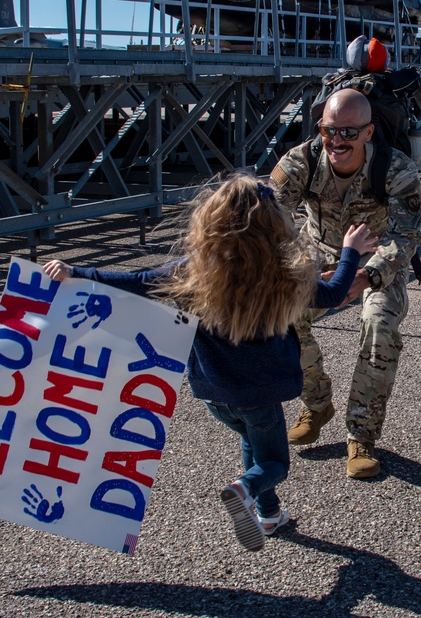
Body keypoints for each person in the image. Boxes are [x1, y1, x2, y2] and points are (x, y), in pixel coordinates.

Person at [42, 175, 378, 552]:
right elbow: (333, 294)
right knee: (275, 463)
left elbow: (137, 281)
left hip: (213, 393)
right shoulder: (281, 276)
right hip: (259, 393)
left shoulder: (194, 270)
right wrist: (351, 250)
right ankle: (245, 488)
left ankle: (269, 514)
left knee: (251, 441)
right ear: (273, 225)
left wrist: (78, 274)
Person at [270, 88, 421, 480]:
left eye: (349, 133)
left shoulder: (396, 168)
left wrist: (366, 275)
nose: (337, 141)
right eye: (328, 130)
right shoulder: (301, 162)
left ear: (369, 133)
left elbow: (405, 237)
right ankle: (317, 403)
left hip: (377, 259)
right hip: (318, 253)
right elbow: (266, 217)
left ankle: (362, 435)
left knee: (379, 324)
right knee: (284, 315)